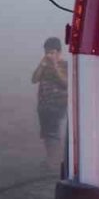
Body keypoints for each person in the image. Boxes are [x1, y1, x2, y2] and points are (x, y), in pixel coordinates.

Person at [32, 37, 69, 169]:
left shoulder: (65, 65)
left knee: (54, 134)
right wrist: (42, 64)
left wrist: (54, 66)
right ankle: (51, 159)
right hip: (44, 105)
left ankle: (56, 161)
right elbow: (34, 79)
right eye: (47, 52)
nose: (49, 55)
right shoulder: (44, 65)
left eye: (52, 52)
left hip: (58, 105)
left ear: (59, 52)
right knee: (47, 134)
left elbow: (66, 83)